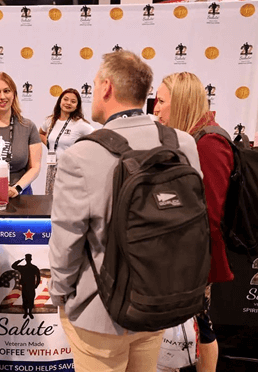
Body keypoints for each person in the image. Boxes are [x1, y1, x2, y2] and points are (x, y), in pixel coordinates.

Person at [48, 51, 203, 372]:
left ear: (106, 87)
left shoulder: (82, 155)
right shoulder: (183, 143)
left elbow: (67, 243)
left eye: (95, 84)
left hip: (101, 313)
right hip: (158, 301)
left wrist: (60, 294)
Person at [154, 72, 234, 372]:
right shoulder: (189, 139)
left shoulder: (210, 142)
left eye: (161, 101)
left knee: (200, 326)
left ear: (181, 102)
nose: (155, 108)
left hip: (194, 259)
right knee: (195, 326)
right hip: (185, 254)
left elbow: (209, 214)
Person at [39, 88, 94, 194]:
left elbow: (97, 137)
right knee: (50, 198)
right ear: (60, 101)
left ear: (77, 106)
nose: (68, 103)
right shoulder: (51, 120)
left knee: (66, 200)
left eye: (73, 101)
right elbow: (41, 133)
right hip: (52, 167)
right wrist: (50, 146)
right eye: (66, 99)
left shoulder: (80, 124)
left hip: (69, 170)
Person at [11, 254, 41, 319]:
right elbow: (13, 266)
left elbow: (38, 277)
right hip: (26, 285)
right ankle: (26, 312)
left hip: (31, 286)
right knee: (26, 299)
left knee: (30, 299)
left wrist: (36, 284)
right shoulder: (26, 268)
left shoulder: (30, 268)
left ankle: (29, 312)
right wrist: (36, 284)